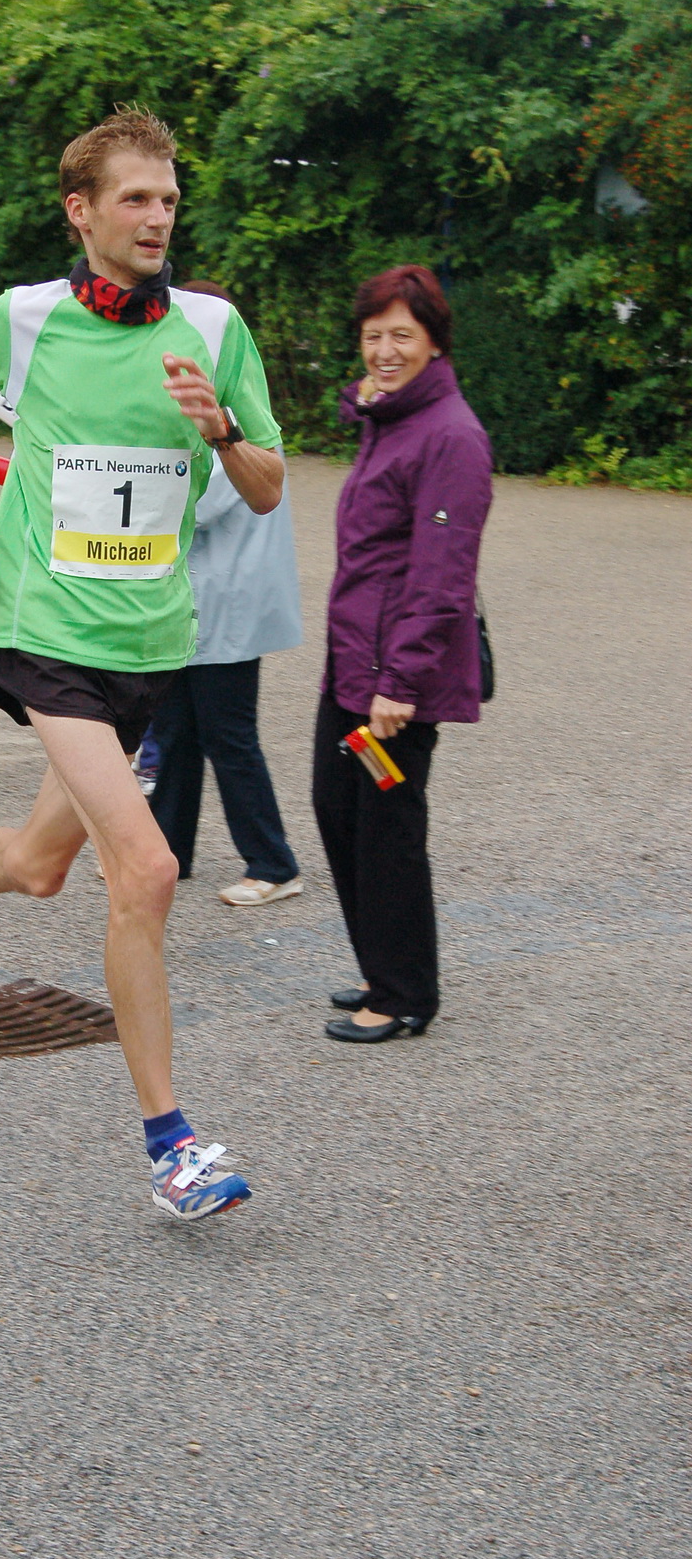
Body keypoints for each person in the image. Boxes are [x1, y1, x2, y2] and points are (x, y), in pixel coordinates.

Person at [0, 109, 284, 1221]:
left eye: (170, 199)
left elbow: (270, 486)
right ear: (81, 210)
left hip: (151, 647)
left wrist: (222, 429)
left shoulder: (212, 327)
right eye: (136, 198)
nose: (158, 217)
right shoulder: (26, 320)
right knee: (141, 872)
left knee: (43, 866)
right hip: (47, 632)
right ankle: (171, 1147)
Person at [312, 264, 492, 1042]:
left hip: (394, 680)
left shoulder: (449, 435)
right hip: (354, 665)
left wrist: (401, 680)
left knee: (385, 828)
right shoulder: (388, 419)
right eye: (372, 335)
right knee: (337, 807)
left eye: (400, 336)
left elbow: (441, 575)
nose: (383, 350)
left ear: (432, 342)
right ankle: (379, 964)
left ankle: (405, 992)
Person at [149, 281, 302, 906]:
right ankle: (166, 853)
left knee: (227, 732)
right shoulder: (203, 414)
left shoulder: (235, 416)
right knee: (176, 727)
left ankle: (272, 862)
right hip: (195, 602)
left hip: (226, 604)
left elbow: (197, 504)